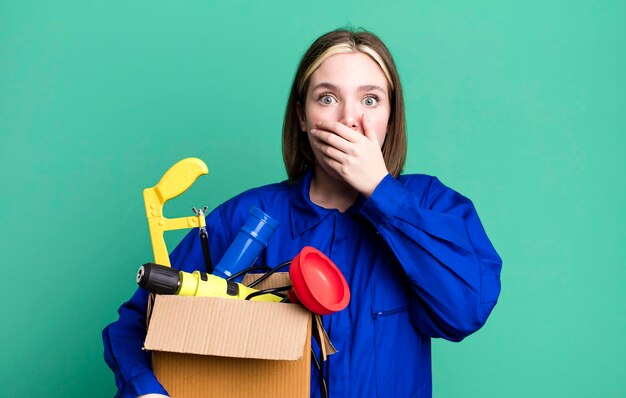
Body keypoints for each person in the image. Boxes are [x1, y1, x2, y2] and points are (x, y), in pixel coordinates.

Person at [103, 28, 502, 398]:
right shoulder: (247, 216)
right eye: (327, 98)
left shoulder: (432, 205)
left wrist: (383, 194)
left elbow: (463, 312)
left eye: (370, 99)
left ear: (389, 117)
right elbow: (138, 323)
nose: (349, 118)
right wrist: (147, 391)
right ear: (301, 116)